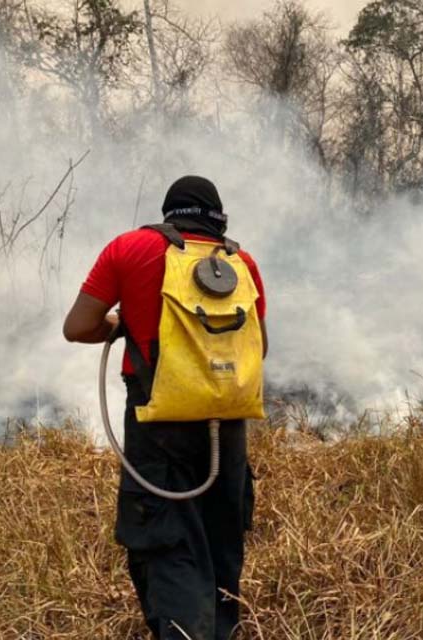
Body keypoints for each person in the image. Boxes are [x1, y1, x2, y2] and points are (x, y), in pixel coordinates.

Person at [63, 175, 267, 639]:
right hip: (228, 422)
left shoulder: (130, 249)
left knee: (168, 541)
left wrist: (120, 324)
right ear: (219, 218)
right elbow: (260, 348)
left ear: (168, 213)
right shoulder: (242, 262)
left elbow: (77, 326)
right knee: (221, 541)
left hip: (158, 422)